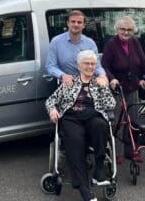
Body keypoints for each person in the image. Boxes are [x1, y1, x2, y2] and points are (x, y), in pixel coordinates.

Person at [45, 50, 116, 201]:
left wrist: (104, 86)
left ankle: (99, 170)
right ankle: (84, 189)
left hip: (93, 117)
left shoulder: (99, 82)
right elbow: (51, 100)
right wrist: (52, 110)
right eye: (86, 63)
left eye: (92, 64)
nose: (90, 66)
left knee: (101, 125)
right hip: (71, 119)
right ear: (79, 66)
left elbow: (111, 104)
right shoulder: (70, 82)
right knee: (75, 142)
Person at [101, 16, 145, 161]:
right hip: (117, 88)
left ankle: (131, 150)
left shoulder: (135, 42)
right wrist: (112, 78)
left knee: (133, 120)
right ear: (117, 29)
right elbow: (104, 65)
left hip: (133, 86)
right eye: (123, 29)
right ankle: (116, 153)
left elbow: (144, 62)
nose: (126, 32)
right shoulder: (111, 44)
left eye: (129, 30)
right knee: (117, 121)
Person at [46, 10, 107, 87]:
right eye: (73, 21)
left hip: (87, 85)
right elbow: (50, 66)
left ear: (84, 25)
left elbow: (97, 66)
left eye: (79, 22)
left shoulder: (90, 44)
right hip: (67, 84)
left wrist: (102, 75)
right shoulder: (56, 42)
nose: (76, 24)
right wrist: (62, 75)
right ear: (68, 23)